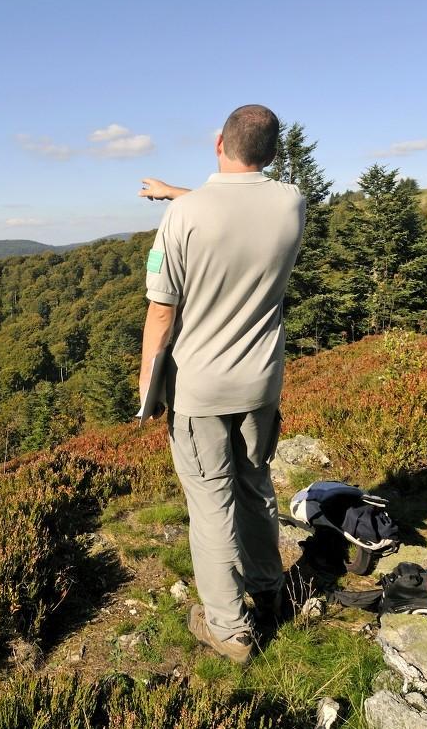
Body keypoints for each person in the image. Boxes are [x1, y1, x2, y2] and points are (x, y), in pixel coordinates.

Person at [138, 104, 306, 664]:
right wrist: (175, 193)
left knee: (211, 505)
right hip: (261, 383)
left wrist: (146, 392)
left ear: (218, 141)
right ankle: (269, 590)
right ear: (273, 153)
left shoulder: (183, 218)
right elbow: (240, 204)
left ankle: (230, 630)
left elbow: (161, 313)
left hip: (199, 389)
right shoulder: (290, 203)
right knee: (255, 487)